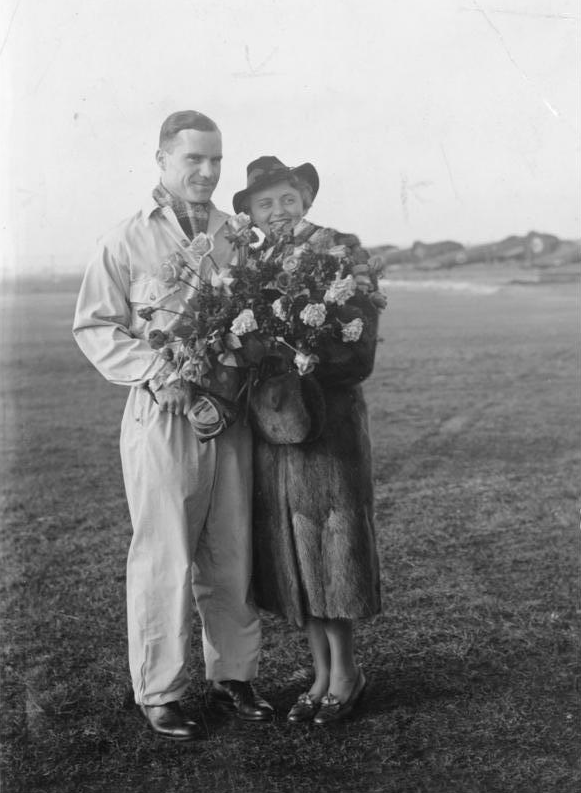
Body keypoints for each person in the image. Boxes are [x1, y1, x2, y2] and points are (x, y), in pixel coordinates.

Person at [73, 112, 273, 741]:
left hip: (231, 412)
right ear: (161, 160)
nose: (208, 172)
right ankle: (160, 689)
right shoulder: (125, 241)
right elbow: (95, 328)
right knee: (165, 555)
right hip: (163, 416)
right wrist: (163, 371)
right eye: (194, 160)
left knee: (232, 549)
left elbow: (258, 315)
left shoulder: (237, 237)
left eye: (216, 160)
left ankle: (234, 675)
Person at [232, 156, 383, 725]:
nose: (276, 212)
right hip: (275, 428)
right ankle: (319, 673)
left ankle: (347, 673)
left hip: (328, 426)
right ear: (251, 211)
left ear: (306, 199)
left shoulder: (341, 250)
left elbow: (360, 349)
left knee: (331, 546)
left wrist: (302, 359)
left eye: (287, 200)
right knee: (295, 553)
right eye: (263, 204)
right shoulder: (252, 260)